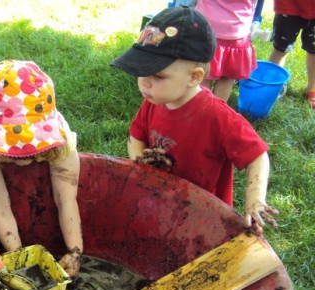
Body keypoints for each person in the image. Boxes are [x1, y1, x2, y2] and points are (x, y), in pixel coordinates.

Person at [110, 6, 279, 234]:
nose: (145, 83)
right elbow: (135, 136)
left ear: (194, 77)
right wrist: (140, 161)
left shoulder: (217, 116)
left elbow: (257, 155)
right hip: (161, 200)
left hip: (203, 215)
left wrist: (255, 199)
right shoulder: (155, 101)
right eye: (142, 71)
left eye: (158, 75)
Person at [0, 59, 83, 277]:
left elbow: (66, 199)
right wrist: (19, 259)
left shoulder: (61, 145)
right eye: (9, 148)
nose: (21, 159)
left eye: (29, 146)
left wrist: (75, 252)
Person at [195, 0, 258, 102]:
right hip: (237, 28)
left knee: (203, 74)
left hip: (208, 24)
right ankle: (216, 113)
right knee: (227, 77)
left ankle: (201, 109)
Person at [268, 0, 315, 109]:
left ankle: (312, 88)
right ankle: (270, 84)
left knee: (314, 50)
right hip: (289, 6)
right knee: (281, 48)